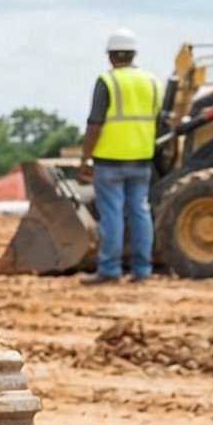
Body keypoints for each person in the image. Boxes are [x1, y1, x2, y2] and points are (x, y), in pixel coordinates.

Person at [78, 29, 159, 282]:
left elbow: (95, 122)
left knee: (112, 213)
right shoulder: (153, 81)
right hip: (143, 158)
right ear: (134, 54)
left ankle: (110, 270)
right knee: (140, 211)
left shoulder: (108, 81)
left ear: (110, 57)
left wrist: (85, 157)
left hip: (110, 160)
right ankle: (142, 270)